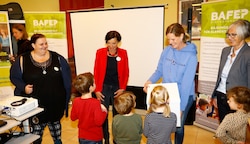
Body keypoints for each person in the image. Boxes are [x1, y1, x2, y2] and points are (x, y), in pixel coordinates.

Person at [10, 33, 71, 144]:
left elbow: (67, 79)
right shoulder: (22, 60)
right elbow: (14, 77)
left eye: (46, 43)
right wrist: (23, 87)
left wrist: (65, 101)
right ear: (33, 45)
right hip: (35, 108)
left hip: (55, 105)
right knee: (36, 137)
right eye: (41, 44)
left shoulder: (58, 58)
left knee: (57, 135)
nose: (44, 46)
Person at [143, 23, 197, 144]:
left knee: (178, 126)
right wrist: (150, 80)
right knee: (164, 123)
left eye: (173, 39)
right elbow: (159, 70)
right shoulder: (167, 51)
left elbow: (186, 85)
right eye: (168, 39)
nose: (170, 42)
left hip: (184, 95)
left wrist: (181, 108)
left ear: (181, 36)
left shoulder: (191, 56)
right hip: (166, 93)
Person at [211, 19, 250, 123]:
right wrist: (215, 96)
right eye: (228, 34)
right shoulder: (225, 51)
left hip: (238, 101)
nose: (229, 38)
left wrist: (246, 105)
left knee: (235, 132)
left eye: (233, 35)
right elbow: (220, 77)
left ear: (243, 35)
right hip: (221, 96)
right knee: (223, 128)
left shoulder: (248, 54)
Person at [93, 30, 129, 144]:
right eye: (109, 43)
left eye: (114, 43)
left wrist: (122, 88)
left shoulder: (123, 53)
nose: (111, 46)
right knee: (103, 114)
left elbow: (126, 72)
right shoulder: (100, 52)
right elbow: (96, 71)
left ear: (118, 42)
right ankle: (106, 139)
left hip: (117, 88)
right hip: (103, 87)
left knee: (117, 115)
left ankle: (116, 139)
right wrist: (97, 90)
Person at [71, 72, 107, 144]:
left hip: (82, 137)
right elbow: (99, 122)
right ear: (91, 87)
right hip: (95, 137)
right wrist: (104, 112)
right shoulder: (96, 103)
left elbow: (73, 117)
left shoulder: (76, 101)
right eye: (94, 82)